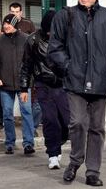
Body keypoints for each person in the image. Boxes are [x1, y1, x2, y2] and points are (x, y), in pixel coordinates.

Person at [48, 0, 106, 187]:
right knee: (77, 123)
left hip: (100, 80)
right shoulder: (65, 16)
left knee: (96, 128)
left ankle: (93, 171)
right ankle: (75, 161)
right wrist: (68, 66)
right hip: (74, 80)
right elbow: (54, 48)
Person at [20, 10, 70, 170]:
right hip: (43, 85)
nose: (51, 34)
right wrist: (23, 88)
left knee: (67, 121)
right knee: (50, 120)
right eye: (49, 31)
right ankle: (53, 154)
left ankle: (60, 140)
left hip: (63, 85)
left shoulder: (66, 39)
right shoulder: (32, 40)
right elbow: (26, 66)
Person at [0, 13, 35, 155]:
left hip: (23, 86)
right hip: (5, 86)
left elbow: (32, 63)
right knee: (7, 114)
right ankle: (9, 143)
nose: (6, 26)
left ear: (15, 25)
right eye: (4, 23)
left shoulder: (26, 40)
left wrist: (29, 82)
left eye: (9, 23)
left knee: (26, 112)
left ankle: (28, 143)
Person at [10, 1, 41, 134]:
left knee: (33, 100)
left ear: (21, 12)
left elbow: (35, 41)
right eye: (12, 12)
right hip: (12, 67)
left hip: (29, 66)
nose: (15, 14)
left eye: (17, 12)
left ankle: (32, 127)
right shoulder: (8, 24)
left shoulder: (28, 24)